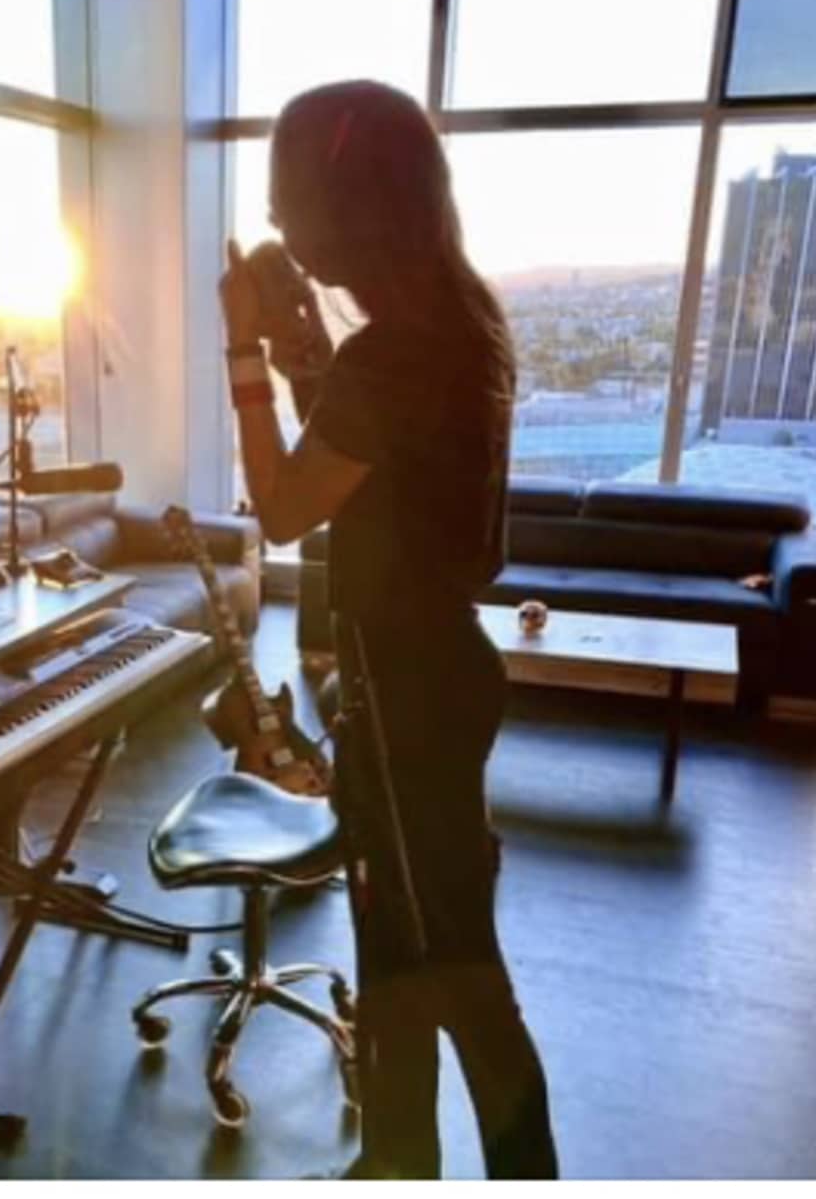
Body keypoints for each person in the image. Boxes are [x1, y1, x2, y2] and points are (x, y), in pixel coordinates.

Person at [221, 79, 559, 1179]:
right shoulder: (451, 324)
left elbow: (283, 506)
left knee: (459, 972)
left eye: (286, 198)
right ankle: (395, 1160)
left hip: (409, 694)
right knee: (394, 952)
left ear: (347, 205)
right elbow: (365, 456)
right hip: (427, 676)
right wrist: (299, 347)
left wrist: (243, 350)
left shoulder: (392, 355)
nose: (277, 221)